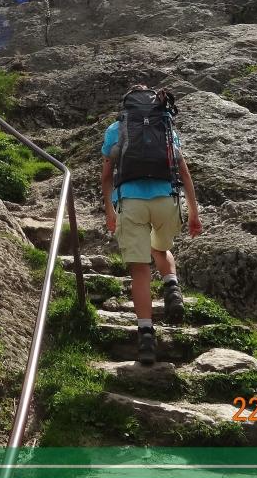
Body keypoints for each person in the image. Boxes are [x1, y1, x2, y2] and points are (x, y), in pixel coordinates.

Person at [101, 85, 202, 365]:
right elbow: (184, 171)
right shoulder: (166, 126)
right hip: (166, 200)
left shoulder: (117, 128)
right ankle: (172, 287)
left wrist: (110, 210)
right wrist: (193, 212)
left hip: (131, 202)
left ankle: (146, 335)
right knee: (161, 249)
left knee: (140, 270)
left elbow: (107, 175)